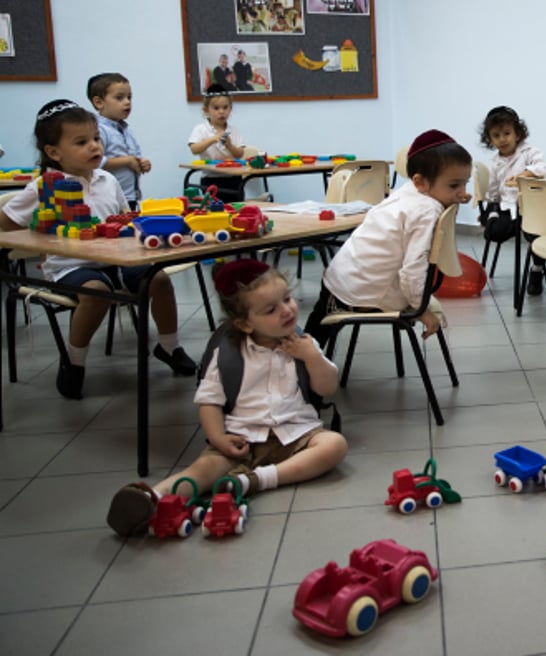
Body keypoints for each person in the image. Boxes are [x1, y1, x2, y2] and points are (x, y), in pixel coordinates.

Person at [105, 259, 348, 537]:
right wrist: (218, 437)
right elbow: (209, 400)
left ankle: (257, 480)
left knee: (334, 445)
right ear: (245, 324)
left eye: (288, 299)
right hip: (240, 438)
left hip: (296, 436)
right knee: (204, 468)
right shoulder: (229, 353)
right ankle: (151, 499)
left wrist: (312, 357)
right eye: (271, 309)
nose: (286, 311)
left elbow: (328, 388)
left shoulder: (304, 343)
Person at [0, 100, 197, 399]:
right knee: (96, 293)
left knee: (159, 280)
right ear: (54, 152)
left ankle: (169, 347)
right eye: (81, 142)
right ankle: (74, 362)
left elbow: (122, 218)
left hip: (117, 261)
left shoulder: (108, 180)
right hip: (70, 266)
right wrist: (40, 236)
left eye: (96, 139)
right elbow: (6, 222)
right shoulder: (44, 187)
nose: (94, 146)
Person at [304, 129, 473, 346]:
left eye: (464, 183)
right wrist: (420, 309)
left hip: (343, 280)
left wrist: (456, 195)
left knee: (315, 330)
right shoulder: (425, 212)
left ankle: (302, 361)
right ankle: (304, 364)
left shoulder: (409, 192)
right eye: (454, 185)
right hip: (359, 294)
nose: (462, 191)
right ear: (420, 182)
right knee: (316, 334)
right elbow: (413, 270)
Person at [477, 105, 546, 294]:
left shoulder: (529, 152)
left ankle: (537, 270)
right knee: (494, 232)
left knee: (535, 234)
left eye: (507, 133)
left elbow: (541, 168)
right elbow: (494, 190)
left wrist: (523, 175)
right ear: (490, 139)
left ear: (517, 133)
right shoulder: (496, 162)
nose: (502, 139)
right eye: (496, 135)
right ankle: (495, 220)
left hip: (531, 207)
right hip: (507, 207)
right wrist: (490, 208)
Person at [88, 72, 151, 210]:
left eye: (129, 97)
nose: (127, 102)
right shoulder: (98, 130)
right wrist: (127, 161)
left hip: (130, 196)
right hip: (108, 198)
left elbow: (136, 155)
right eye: (119, 98)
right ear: (99, 102)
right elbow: (96, 162)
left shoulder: (126, 130)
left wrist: (142, 163)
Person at [188, 84, 247, 203]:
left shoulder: (233, 130)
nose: (221, 112)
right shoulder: (201, 129)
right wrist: (212, 139)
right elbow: (194, 149)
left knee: (234, 209)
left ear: (231, 108)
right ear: (206, 110)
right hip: (211, 179)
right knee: (214, 210)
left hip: (233, 179)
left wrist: (230, 146)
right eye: (216, 108)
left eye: (225, 108)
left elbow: (239, 154)